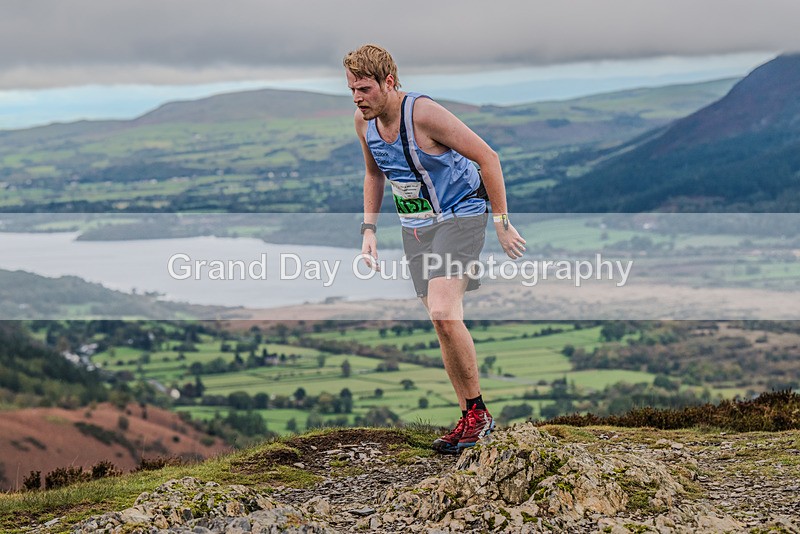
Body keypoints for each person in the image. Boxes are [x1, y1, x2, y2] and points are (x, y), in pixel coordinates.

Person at [344, 44, 526, 453]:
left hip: (460, 214)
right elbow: (374, 175)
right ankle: (468, 417)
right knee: (442, 322)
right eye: (352, 89)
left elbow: (488, 158)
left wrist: (502, 223)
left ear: (389, 82)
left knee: (444, 311)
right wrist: (369, 230)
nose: (357, 98)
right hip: (416, 228)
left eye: (364, 89)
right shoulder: (363, 122)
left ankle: (479, 415)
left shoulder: (422, 113)